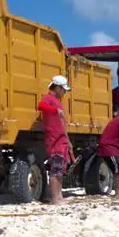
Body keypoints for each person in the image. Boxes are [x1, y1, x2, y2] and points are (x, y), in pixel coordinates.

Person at [36, 75, 73, 205]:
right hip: (54, 139)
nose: (64, 92)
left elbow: (62, 123)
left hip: (62, 139)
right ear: (57, 87)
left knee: (61, 169)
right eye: (63, 89)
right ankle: (54, 198)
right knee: (55, 169)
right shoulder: (49, 98)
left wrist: (68, 140)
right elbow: (40, 106)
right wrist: (55, 110)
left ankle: (59, 195)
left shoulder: (58, 100)